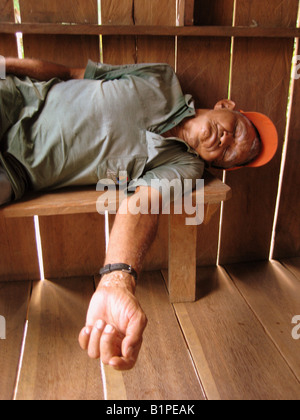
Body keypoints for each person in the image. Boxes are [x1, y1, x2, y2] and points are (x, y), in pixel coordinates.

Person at [0, 58, 278, 370]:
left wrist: (116, 281)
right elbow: (70, 73)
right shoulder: (161, 76)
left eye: (227, 154)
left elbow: (142, 204)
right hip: (15, 96)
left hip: (14, 169)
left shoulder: (185, 167)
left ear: (216, 165)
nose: (225, 139)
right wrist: (6, 64)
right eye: (236, 129)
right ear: (226, 105)